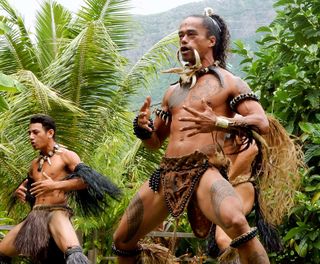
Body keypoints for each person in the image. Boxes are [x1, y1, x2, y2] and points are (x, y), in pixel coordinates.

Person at [113, 7, 271, 264]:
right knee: (122, 240)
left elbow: (261, 121)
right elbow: (155, 143)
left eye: (190, 34)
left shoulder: (229, 82)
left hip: (203, 170)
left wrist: (218, 122)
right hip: (166, 174)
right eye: (180, 36)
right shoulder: (172, 91)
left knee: (236, 224)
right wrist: (142, 129)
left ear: (211, 41)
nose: (183, 40)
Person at [0, 114, 122, 264]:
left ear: (50, 133)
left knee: (74, 255)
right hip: (35, 216)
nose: (31, 137)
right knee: (2, 252)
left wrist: (56, 185)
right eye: (29, 133)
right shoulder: (34, 164)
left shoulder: (66, 156)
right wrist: (22, 192)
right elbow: (33, 191)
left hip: (57, 212)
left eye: (35, 132)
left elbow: (88, 181)